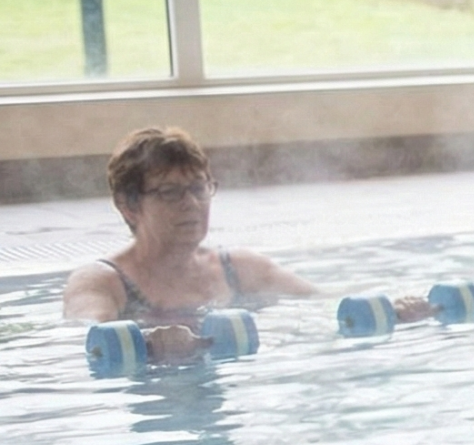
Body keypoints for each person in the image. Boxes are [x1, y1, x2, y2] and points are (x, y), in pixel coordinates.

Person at [60, 127, 326, 363]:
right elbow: (89, 338)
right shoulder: (102, 281)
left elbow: (321, 304)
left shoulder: (239, 268)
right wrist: (147, 340)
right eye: (170, 192)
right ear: (129, 205)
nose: (191, 204)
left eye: (199, 189)